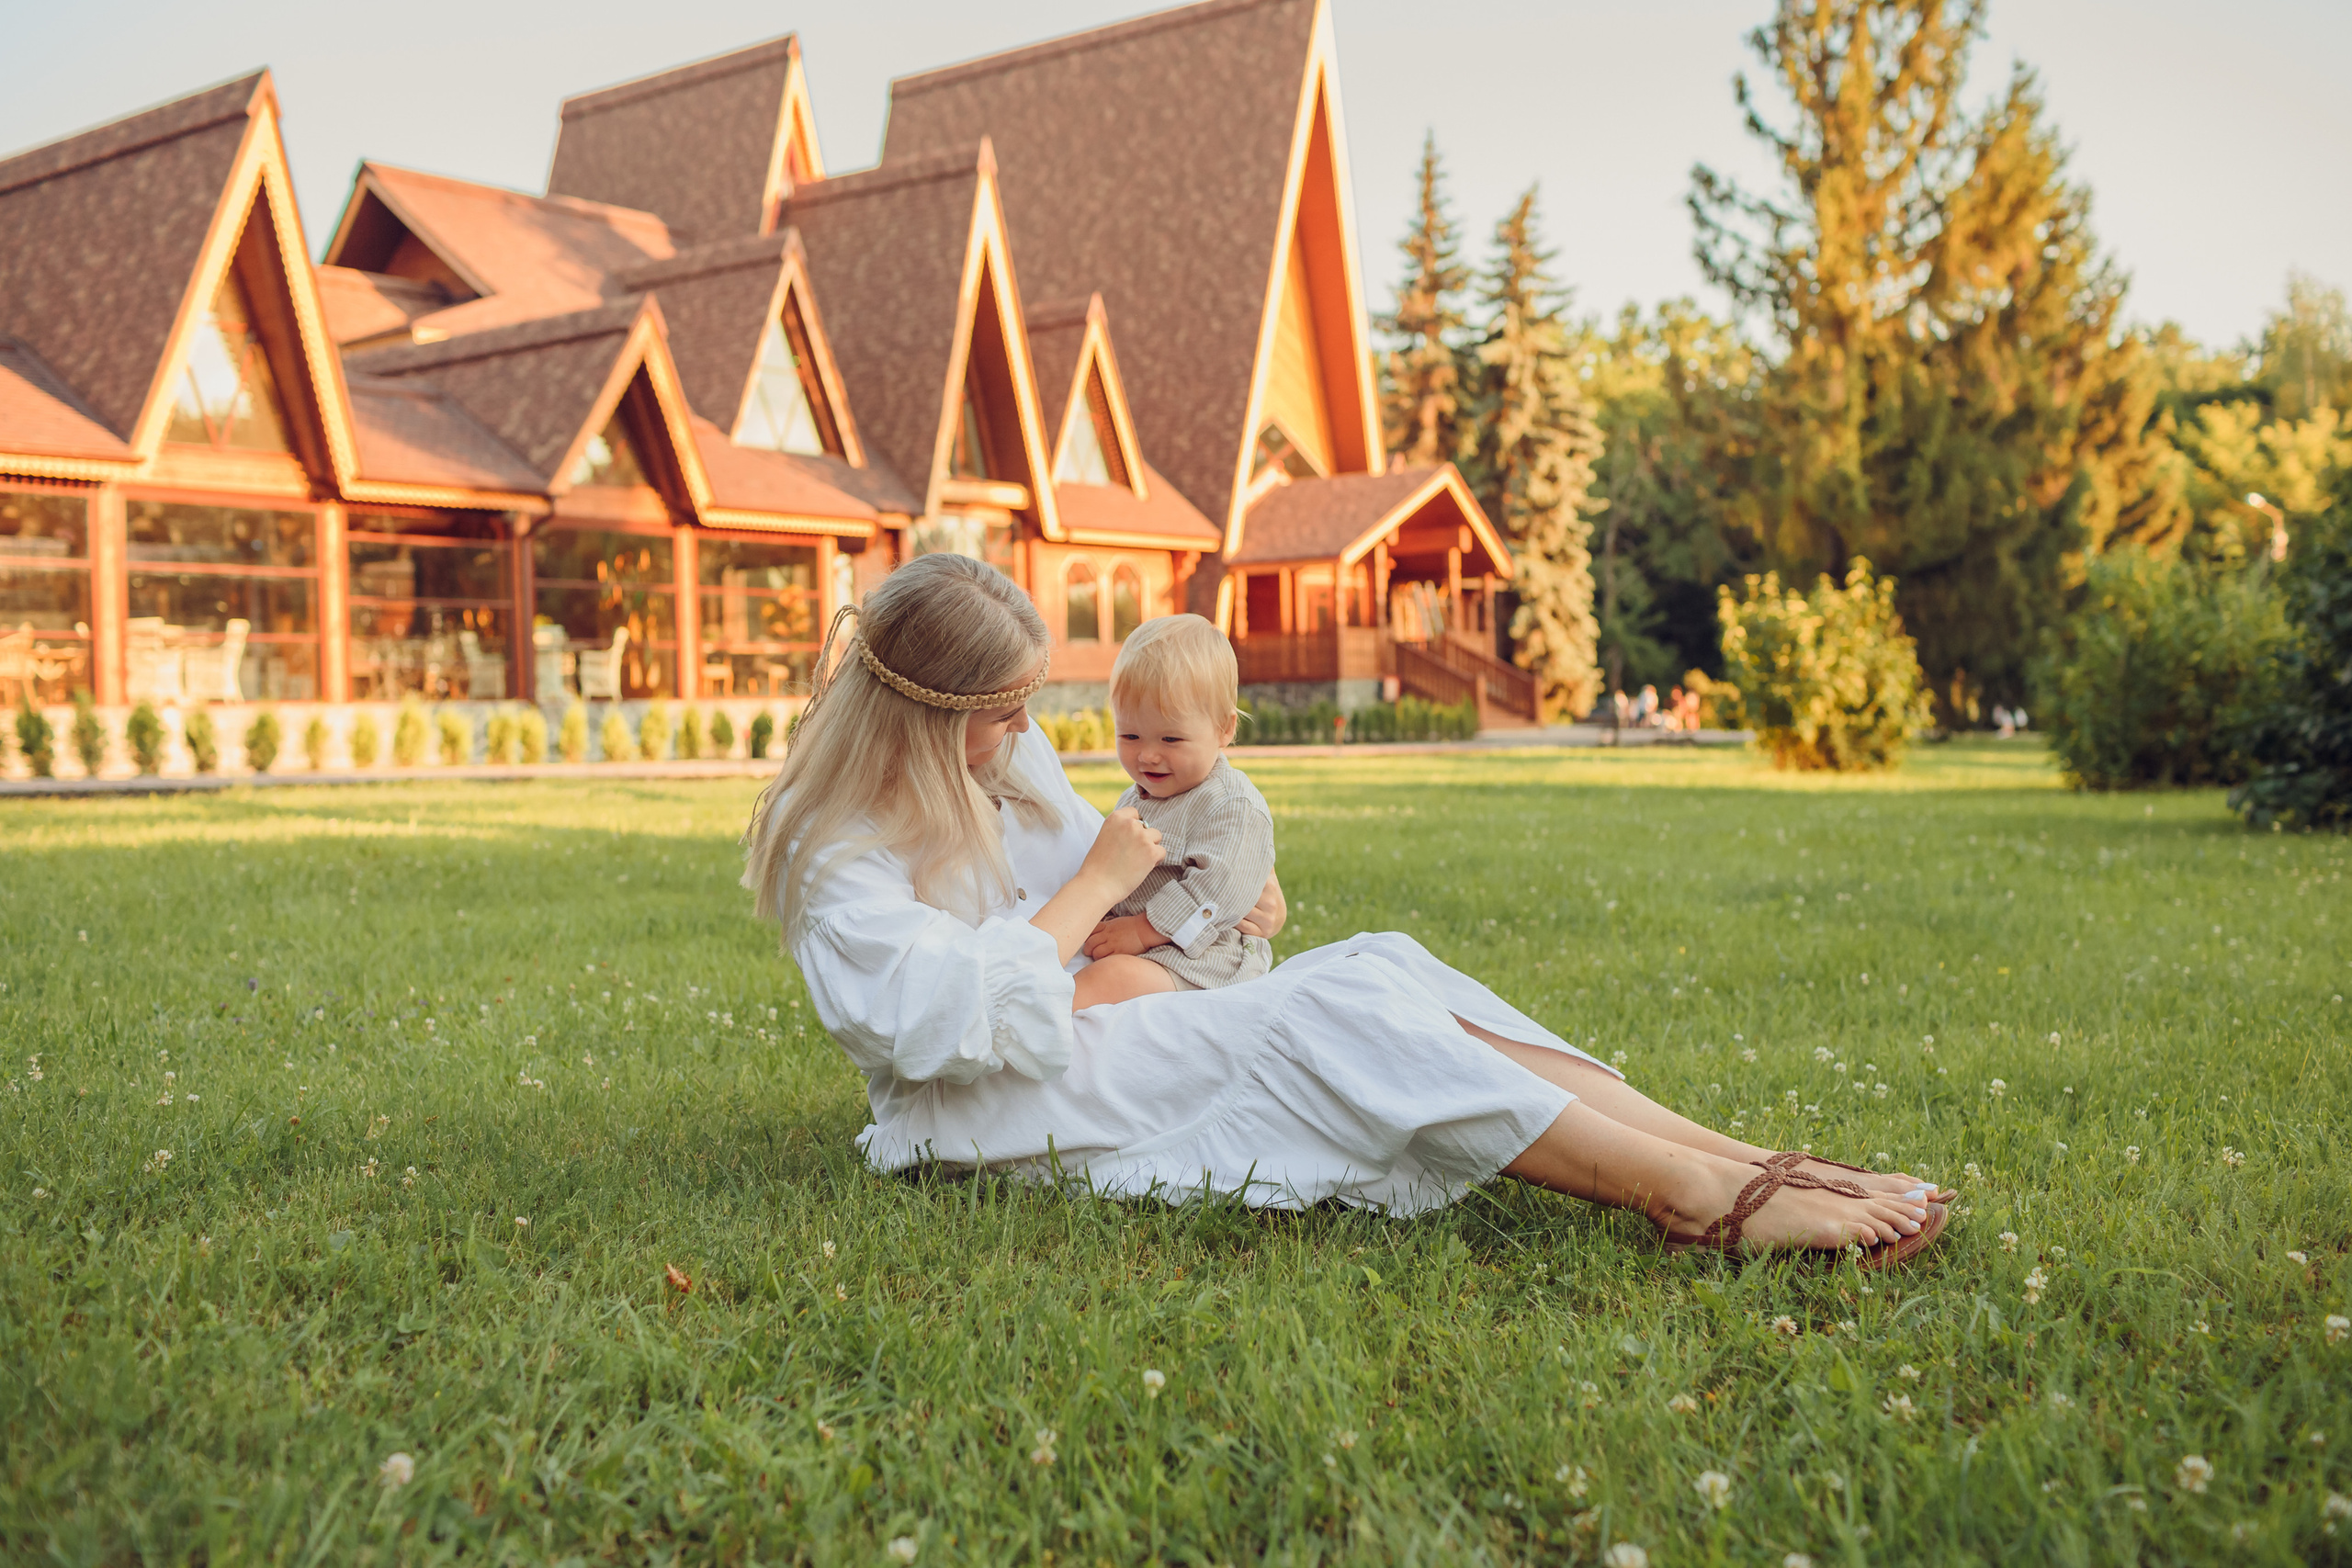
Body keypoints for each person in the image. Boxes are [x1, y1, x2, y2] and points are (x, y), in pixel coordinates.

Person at [742, 555, 1950, 1260]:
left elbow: (1132, 870)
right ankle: (1683, 1194)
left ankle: (1727, 1152)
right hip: (994, 1098)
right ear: (923, 713)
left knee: (1387, 959)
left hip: (1113, 1011)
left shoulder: (995, 762)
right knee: (1336, 1014)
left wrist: (1218, 902)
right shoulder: (836, 854)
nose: (1027, 732)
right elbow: (935, 1021)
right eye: (1002, 709)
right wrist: (1103, 887)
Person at [1073, 614, 1272, 1009]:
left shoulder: (1232, 806)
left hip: (1208, 960)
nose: (1148, 754)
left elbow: (1219, 890)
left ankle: (1028, 1024)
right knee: (1099, 971)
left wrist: (1142, 930)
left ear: (1224, 729)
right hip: (1154, 951)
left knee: (1110, 980)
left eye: (1171, 738)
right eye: (1130, 735)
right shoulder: (1137, 798)